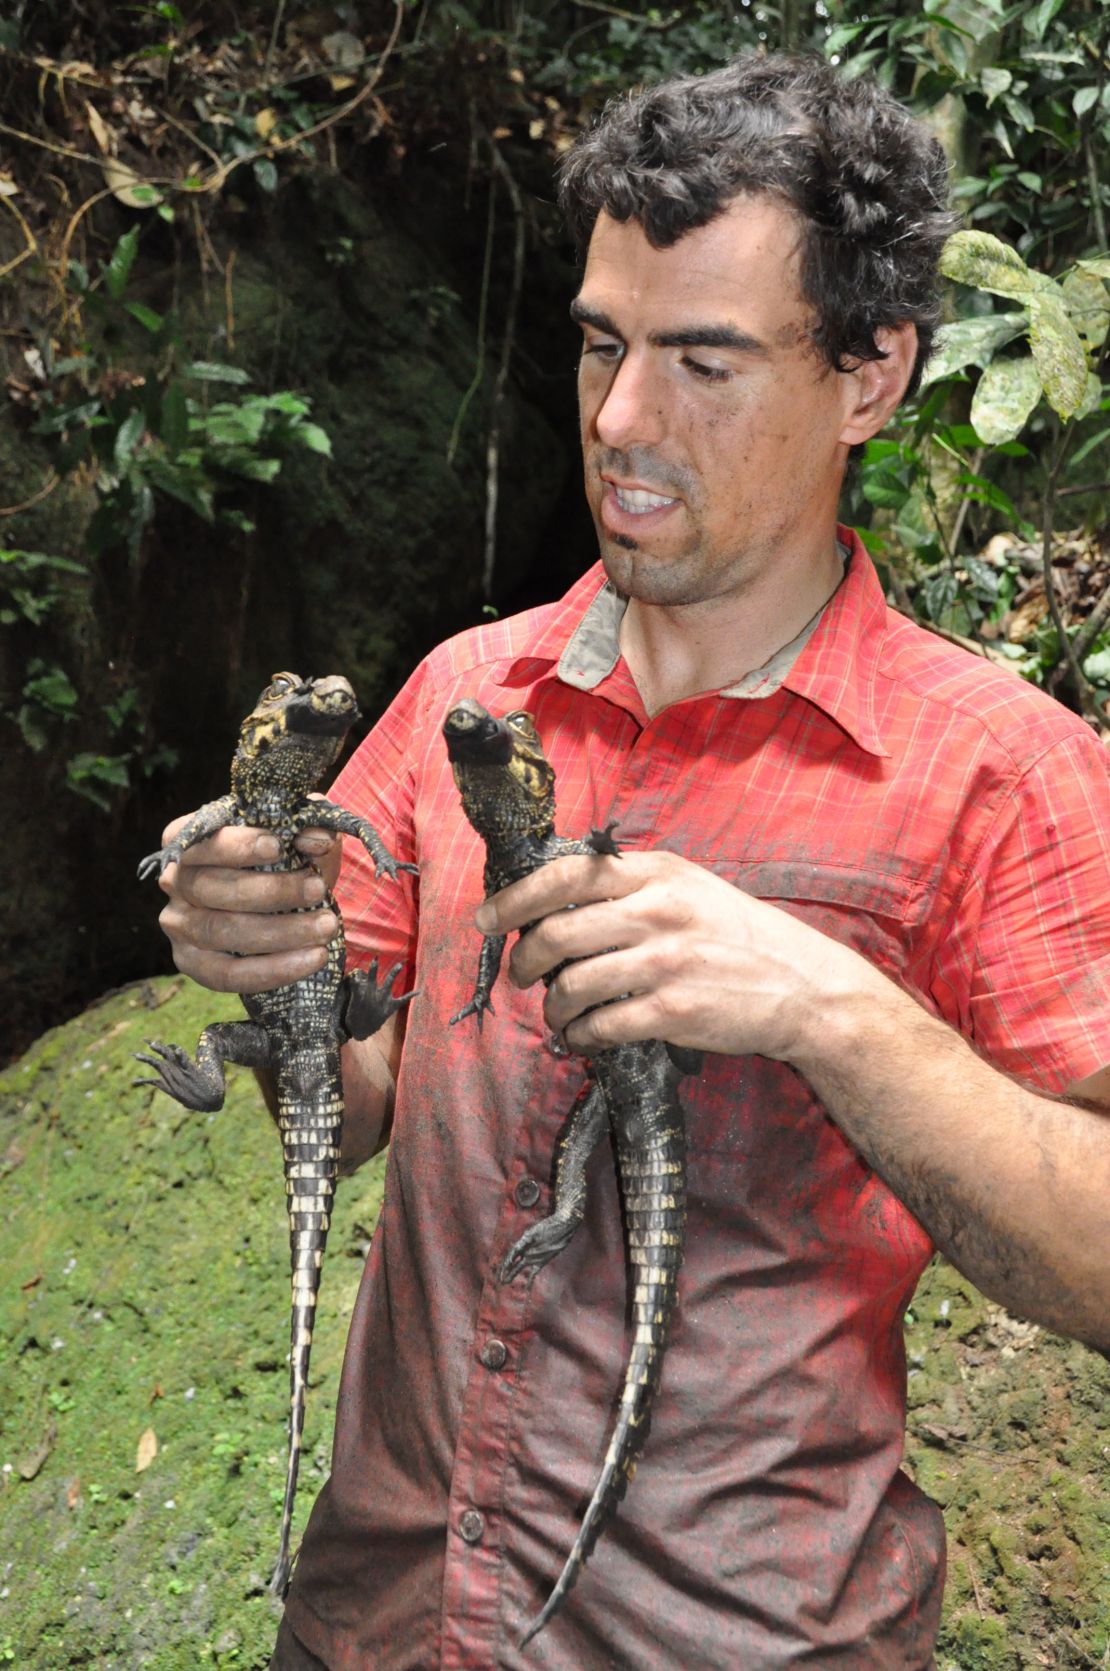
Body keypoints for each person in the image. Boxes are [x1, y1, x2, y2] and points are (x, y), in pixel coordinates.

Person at [154, 53, 1110, 1671]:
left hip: (734, 1635)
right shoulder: (466, 693)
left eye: (704, 363)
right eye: (602, 343)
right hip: (379, 1618)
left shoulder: (1002, 774)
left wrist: (837, 1012)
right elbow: (364, 1092)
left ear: (867, 376)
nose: (618, 420)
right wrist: (275, 954)